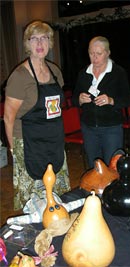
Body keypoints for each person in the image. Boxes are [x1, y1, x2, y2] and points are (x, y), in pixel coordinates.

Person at [4, 20, 71, 210]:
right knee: (34, 198)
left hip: (53, 140)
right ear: (27, 44)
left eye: (45, 38)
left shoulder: (55, 71)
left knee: (56, 193)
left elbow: (56, 109)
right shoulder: (19, 76)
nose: (40, 44)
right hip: (28, 141)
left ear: (50, 42)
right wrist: (13, 150)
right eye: (34, 39)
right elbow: (9, 118)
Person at [72, 36, 130, 168]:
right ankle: (94, 189)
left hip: (111, 128)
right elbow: (74, 99)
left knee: (113, 166)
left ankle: (112, 189)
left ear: (107, 53)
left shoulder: (118, 72)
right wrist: (79, 100)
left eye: (98, 54)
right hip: (89, 128)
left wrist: (111, 100)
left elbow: (128, 99)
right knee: (94, 167)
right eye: (91, 53)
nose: (94, 57)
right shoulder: (83, 73)